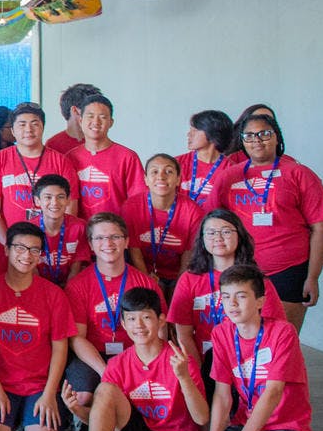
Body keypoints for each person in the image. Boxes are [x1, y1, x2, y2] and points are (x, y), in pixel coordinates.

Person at [57, 288, 208, 431]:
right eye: (132, 319)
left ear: (161, 321)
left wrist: (183, 377)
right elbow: (102, 419)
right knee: (106, 389)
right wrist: (77, 410)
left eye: (146, 317)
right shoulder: (117, 364)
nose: (139, 325)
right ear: (123, 324)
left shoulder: (181, 361)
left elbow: (201, 418)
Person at [187, 265, 312, 431]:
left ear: (260, 302)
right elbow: (223, 397)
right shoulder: (222, 333)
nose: (232, 304)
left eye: (241, 296)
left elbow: (273, 392)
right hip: (242, 423)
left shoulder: (282, 333)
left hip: (284, 427)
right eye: (226, 297)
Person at [211, 112, 323, 332]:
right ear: (242, 141)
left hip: (289, 270)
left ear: (277, 137)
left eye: (264, 134)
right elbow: (210, 223)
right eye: (249, 136)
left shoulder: (299, 173)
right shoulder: (229, 177)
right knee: (245, 339)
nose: (256, 140)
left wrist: (313, 277)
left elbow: (321, 226)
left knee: (283, 338)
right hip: (242, 271)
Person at [0, 222, 73, 431]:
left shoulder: (53, 295)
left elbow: (60, 348)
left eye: (34, 250)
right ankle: (15, 422)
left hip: (38, 386)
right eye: (20, 248)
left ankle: (25, 422)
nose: (27, 256)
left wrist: (50, 394)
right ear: (6, 250)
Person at [62, 213, 164, 413]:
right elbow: (77, 339)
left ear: (126, 242)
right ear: (90, 245)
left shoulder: (145, 282)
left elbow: (160, 332)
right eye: (99, 238)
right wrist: (105, 371)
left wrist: (144, 366)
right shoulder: (78, 285)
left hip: (135, 354)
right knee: (82, 397)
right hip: (94, 354)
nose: (107, 243)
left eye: (115, 237)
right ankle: (84, 429)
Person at [168, 209, 287, 378]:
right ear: (202, 239)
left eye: (226, 231)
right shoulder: (189, 279)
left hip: (246, 366)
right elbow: (183, 334)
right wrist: (200, 373)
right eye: (210, 232)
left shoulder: (257, 280)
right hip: (202, 362)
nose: (218, 237)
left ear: (239, 235)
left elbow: (272, 331)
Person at [0, 102, 79, 226]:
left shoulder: (61, 161)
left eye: (35, 124)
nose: (28, 130)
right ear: (12, 130)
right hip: (11, 239)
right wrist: (7, 243)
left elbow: (70, 205)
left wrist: (60, 238)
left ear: (43, 127)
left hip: (52, 240)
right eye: (22, 125)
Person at [123, 153, 201, 293]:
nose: (161, 176)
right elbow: (134, 250)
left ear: (178, 180)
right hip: (143, 271)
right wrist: (146, 277)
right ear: (145, 179)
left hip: (178, 274)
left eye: (169, 171)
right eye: (154, 171)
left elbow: (189, 253)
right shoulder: (131, 207)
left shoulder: (192, 211)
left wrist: (179, 284)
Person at [66, 95, 142, 220]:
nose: (96, 122)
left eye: (102, 117)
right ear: (80, 121)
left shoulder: (127, 157)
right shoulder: (69, 158)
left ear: (111, 122)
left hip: (114, 234)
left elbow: (138, 202)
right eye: (90, 116)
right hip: (80, 233)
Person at [32, 173, 91, 286]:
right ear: (37, 200)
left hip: (70, 285)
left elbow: (76, 267)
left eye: (60, 197)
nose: (54, 203)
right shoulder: (28, 229)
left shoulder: (80, 227)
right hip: (39, 286)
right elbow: (31, 268)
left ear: (68, 200)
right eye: (48, 197)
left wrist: (68, 292)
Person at [177, 109, 235, 209]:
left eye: (195, 130)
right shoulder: (176, 164)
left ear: (212, 134)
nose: (189, 134)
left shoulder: (232, 170)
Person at [46, 83, 102, 155]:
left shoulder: (101, 141)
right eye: (91, 111)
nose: (96, 118)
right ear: (75, 111)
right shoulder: (53, 145)